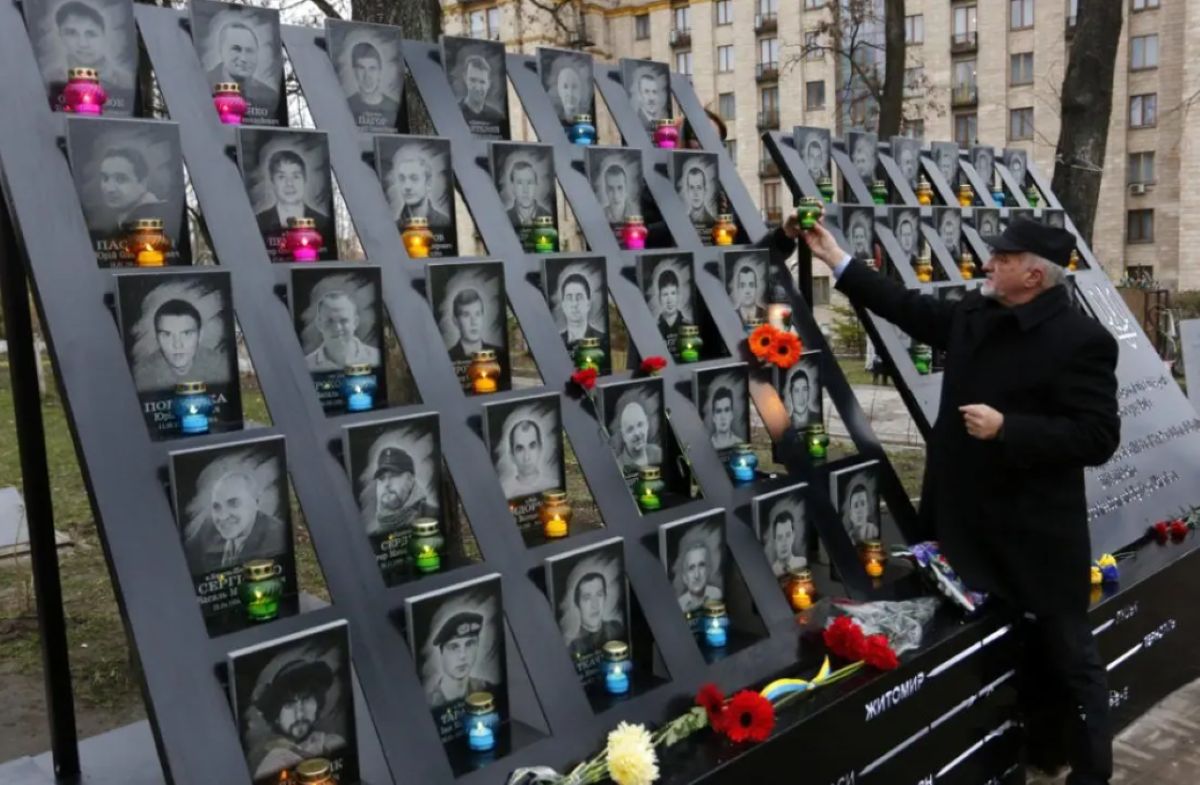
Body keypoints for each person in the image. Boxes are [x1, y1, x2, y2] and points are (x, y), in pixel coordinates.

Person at [789, 215, 1119, 784]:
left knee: (1069, 656)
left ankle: (1089, 773)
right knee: (978, 646)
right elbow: (906, 308)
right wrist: (836, 259)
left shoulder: (1082, 341)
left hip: (1036, 535)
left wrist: (1009, 428)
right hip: (961, 523)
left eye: (1003, 259)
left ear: (1034, 276)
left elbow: (1097, 437)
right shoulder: (975, 314)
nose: (988, 264)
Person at [250, 659, 345, 779]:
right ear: (276, 716)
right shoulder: (273, 763)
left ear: (318, 704)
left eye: (306, 699)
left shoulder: (333, 743)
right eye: (289, 705)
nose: (299, 713)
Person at [184, 471, 287, 575]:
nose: (223, 516)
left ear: (256, 502)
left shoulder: (279, 538)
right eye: (216, 507)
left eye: (234, 503)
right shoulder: (207, 528)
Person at [135, 298, 226, 391]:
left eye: (186, 333)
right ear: (157, 338)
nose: (177, 345)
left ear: (200, 335)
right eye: (167, 334)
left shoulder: (222, 367)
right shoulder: (141, 376)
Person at [54, 1, 132, 91]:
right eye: (72, 33)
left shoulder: (127, 82)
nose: (83, 44)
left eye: (91, 34)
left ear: (105, 36)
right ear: (60, 36)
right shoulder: (50, 80)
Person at [254, 149, 329, 238]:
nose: (289, 183)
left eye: (296, 176)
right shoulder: (257, 223)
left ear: (305, 180)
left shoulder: (324, 223)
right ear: (272, 182)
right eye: (282, 177)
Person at [427, 611, 497, 706]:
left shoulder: (488, 689)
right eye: (454, 647)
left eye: (469, 644)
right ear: (441, 653)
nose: (462, 656)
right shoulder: (429, 703)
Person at [363, 446, 435, 537]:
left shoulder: (434, 518)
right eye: (382, 478)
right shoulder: (370, 536)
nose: (386, 484)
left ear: (410, 479)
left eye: (393, 475)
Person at [206, 20, 278, 108]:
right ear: (221, 51)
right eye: (236, 49)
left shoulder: (269, 96)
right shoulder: (202, 85)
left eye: (249, 51)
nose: (243, 58)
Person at [96, 147, 167, 234]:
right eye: (105, 178)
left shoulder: (155, 219)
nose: (109, 189)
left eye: (121, 179)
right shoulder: (125, 218)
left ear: (143, 182)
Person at [304, 291, 380, 372]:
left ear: (355, 322)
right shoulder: (305, 366)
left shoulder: (377, 358)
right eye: (330, 321)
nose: (337, 328)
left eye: (343, 320)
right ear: (319, 324)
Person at [566, 572, 625, 659]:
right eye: (587, 598)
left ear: (605, 597)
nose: (595, 605)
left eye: (599, 595)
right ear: (578, 604)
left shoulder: (616, 628)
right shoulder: (573, 646)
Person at [389, 147, 450, 228]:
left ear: (428, 183)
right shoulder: (392, 227)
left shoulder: (445, 223)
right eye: (402, 179)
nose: (407, 186)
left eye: (414, 178)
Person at [345, 41, 398, 123]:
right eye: (361, 68)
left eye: (372, 68)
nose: (367, 76)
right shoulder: (345, 106)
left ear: (380, 72)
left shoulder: (394, 107)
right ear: (354, 71)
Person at [447, 288, 502, 362]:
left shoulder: (499, 354)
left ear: (482, 317)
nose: (473, 322)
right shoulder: (447, 357)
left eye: (477, 314)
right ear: (455, 320)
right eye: (466, 315)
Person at [673, 533, 722, 615]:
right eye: (691, 568)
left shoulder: (716, 594)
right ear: (684, 577)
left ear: (708, 570)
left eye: (701, 565)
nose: (697, 575)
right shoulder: (679, 605)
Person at [614, 399, 662, 473]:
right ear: (623, 436)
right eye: (630, 429)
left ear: (647, 424)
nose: (637, 433)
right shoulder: (617, 467)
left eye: (640, 424)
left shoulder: (658, 454)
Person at [505, 419, 548, 498]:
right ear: (512, 455)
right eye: (520, 449)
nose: (526, 457)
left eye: (532, 446)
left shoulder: (553, 485)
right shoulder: (504, 492)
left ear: (540, 448)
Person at [558, 273, 603, 347]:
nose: (574, 304)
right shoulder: (555, 341)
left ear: (588, 304)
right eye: (569, 298)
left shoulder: (602, 339)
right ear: (563, 305)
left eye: (579, 297)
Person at [505, 160, 552, 228]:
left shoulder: (549, 217)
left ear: (536, 185)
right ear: (512, 187)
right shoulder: (504, 219)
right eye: (520, 183)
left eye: (530, 182)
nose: (525, 190)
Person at [654, 269, 691, 350]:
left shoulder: (689, 327)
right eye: (665, 294)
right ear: (659, 297)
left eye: (673, 293)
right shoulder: (654, 329)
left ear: (678, 295)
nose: (669, 300)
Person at [458, 54, 497, 125]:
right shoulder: (454, 113)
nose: (477, 87)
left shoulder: (497, 117)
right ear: (465, 79)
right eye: (473, 80)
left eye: (482, 82)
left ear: (489, 84)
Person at [766, 510, 806, 577]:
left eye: (788, 535)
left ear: (793, 536)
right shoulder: (770, 572)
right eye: (780, 537)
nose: (784, 543)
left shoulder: (802, 563)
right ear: (775, 541)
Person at [840, 477, 879, 543]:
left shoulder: (873, 531)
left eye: (863, 504)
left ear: (868, 509)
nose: (860, 510)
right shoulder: (846, 538)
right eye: (856, 505)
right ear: (850, 513)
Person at [708, 386, 741, 451]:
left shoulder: (740, 444)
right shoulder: (707, 446)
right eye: (719, 411)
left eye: (727, 410)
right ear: (713, 417)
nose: (723, 417)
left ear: (731, 415)